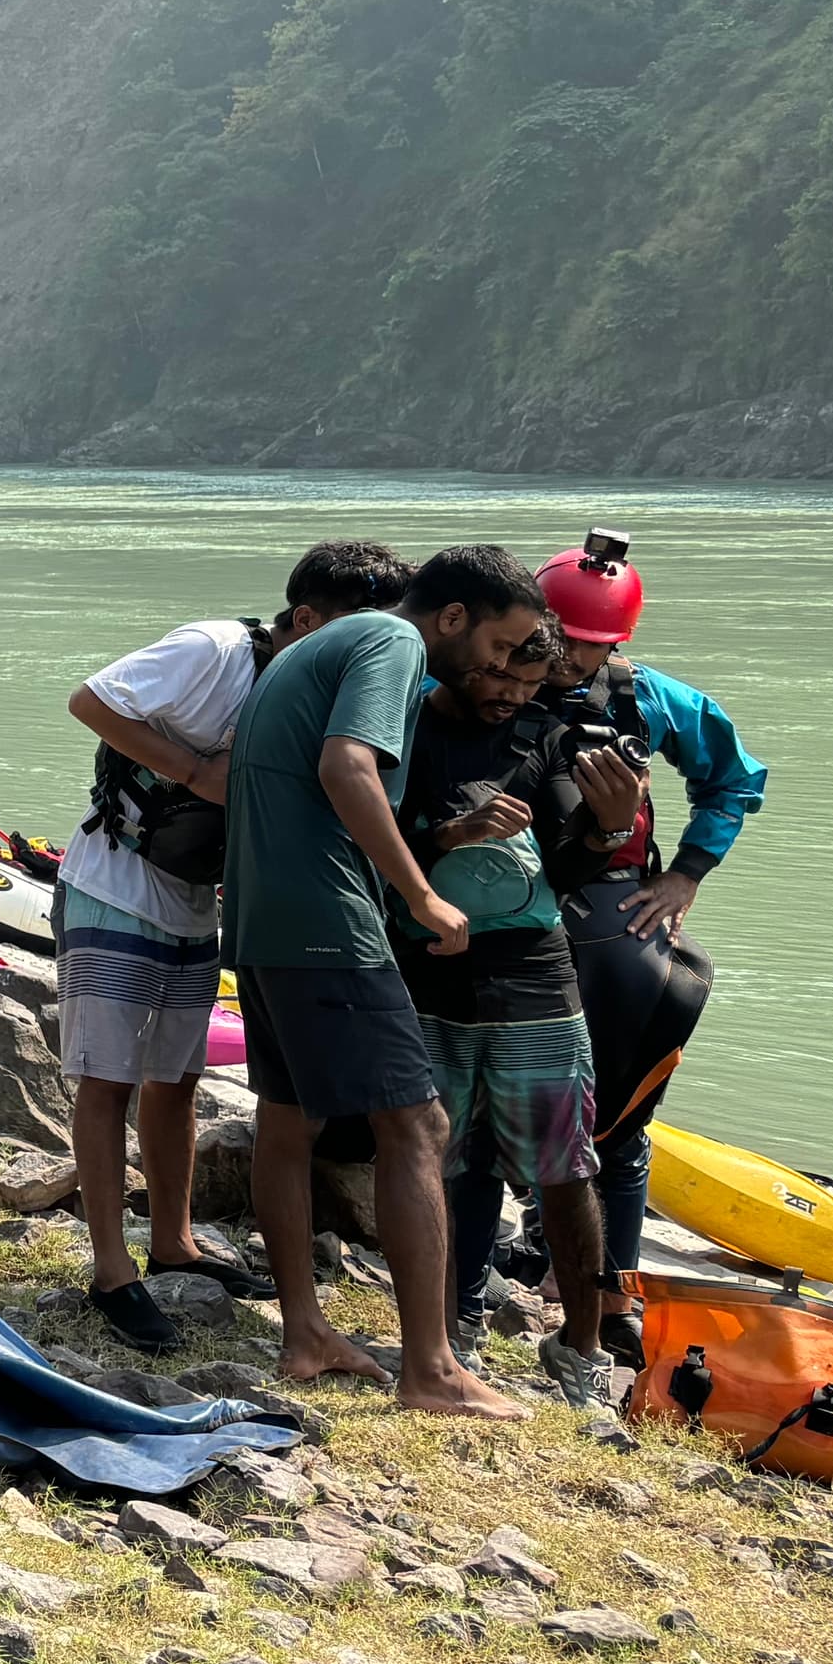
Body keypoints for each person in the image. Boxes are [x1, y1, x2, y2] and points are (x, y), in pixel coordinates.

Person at [52, 541, 411, 1352]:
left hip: (195, 903)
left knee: (175, 1079)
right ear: (307, 619)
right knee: (106, 1081)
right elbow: (91, 699)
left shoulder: (318, 688)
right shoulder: (214, 649)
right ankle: (112, 1271)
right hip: (113, 888)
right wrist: (193, 768)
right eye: (354, 634)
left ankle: (173, 1239)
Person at [220, 542, 548, 1420]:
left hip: (261, 916)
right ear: (451, 618)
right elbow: (346, 767)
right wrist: (423, 896)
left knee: (288, 1119)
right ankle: (432, 1371)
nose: (500, 665)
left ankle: (304, 1335)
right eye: (499, 645)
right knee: (417, 1121)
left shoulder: (324, 645)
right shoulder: (390, 644)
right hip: (326, 922)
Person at [517, 531, 762, 1364]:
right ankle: (500, 1264)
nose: (570, 660)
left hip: (616, 907)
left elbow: (735, 777)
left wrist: (688, 874)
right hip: (516, 904)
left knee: (619, 1112)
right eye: (560, 641)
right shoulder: (484, 685)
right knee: (506, 1097)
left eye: (593, 647)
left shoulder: (647, 698)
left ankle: (607, 1281)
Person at [391, 620, 645, 1410]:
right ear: (474, 659)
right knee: (439, 1161)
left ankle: (580, 1346)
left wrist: (609, 825)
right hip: (432, 979)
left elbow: (568, 866)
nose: (514, 695)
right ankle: (445, 1332)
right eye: (504, 677)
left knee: (566, 1171)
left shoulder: (545, 738)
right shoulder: (406, 726)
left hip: (536, 977)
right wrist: (453, 833)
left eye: (532, 685)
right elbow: (368, 843)